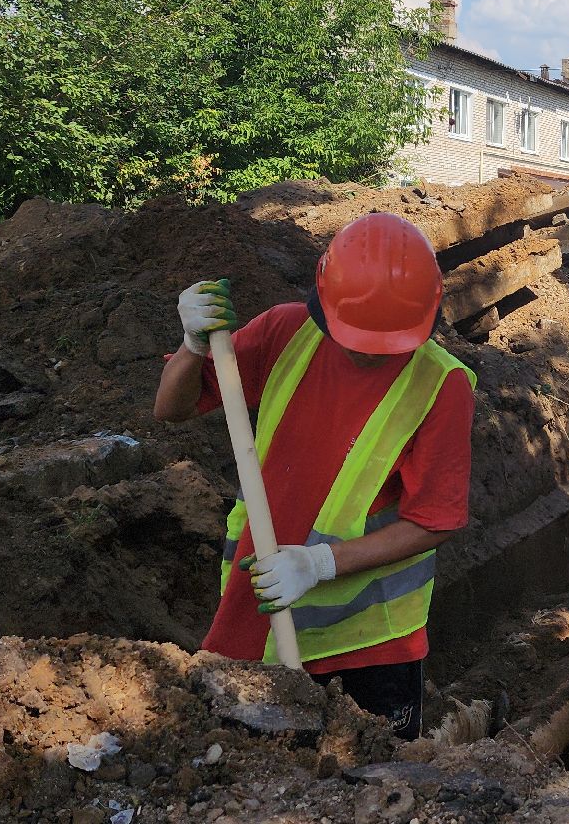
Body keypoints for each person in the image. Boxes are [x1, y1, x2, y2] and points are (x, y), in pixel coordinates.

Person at [153, 213, 475, 739]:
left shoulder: (443, 385)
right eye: (357, 338)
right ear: (323, 305)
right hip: (260, 621)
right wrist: (192, 347)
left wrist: (321, 562)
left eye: (386, 341)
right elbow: (171, 407)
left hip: (373, 648)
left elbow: (435, 520)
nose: (369, 351)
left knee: (382, 788)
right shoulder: (285, 332)